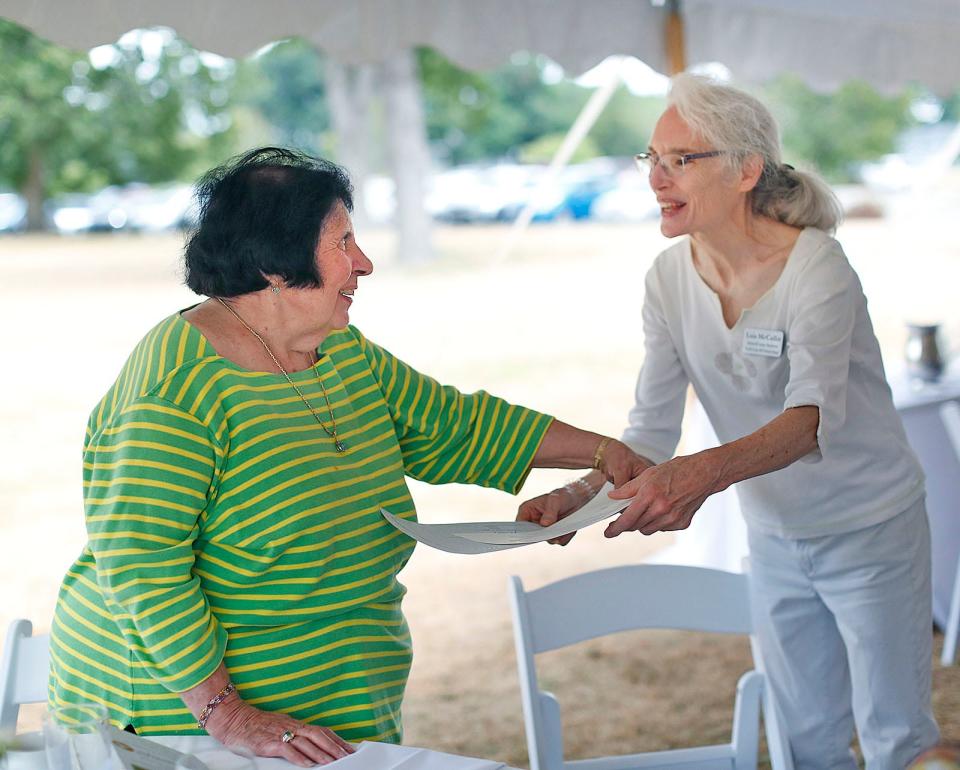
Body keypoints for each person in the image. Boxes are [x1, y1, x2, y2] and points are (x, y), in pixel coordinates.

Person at [48, 147, 647, 767]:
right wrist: (225, 713)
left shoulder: (337, 350)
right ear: (275, 265)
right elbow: (142, 564)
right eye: (343, 243)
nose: (363, 263)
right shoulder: (175, 389)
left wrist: (604, 452)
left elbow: (455, 425)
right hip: (179, 725)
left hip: (335, 704)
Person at [519, 74, 940, 769]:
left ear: (747, 170)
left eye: (681, 159)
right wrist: (578, 497)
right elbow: (651, 430)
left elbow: (808, 422)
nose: (657, 177)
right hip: (775, 537)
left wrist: (703, 474)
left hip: (872, 528)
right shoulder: (666, 278)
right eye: (651, 158)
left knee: (896, 734)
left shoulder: (819, 269)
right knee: (805, 742)